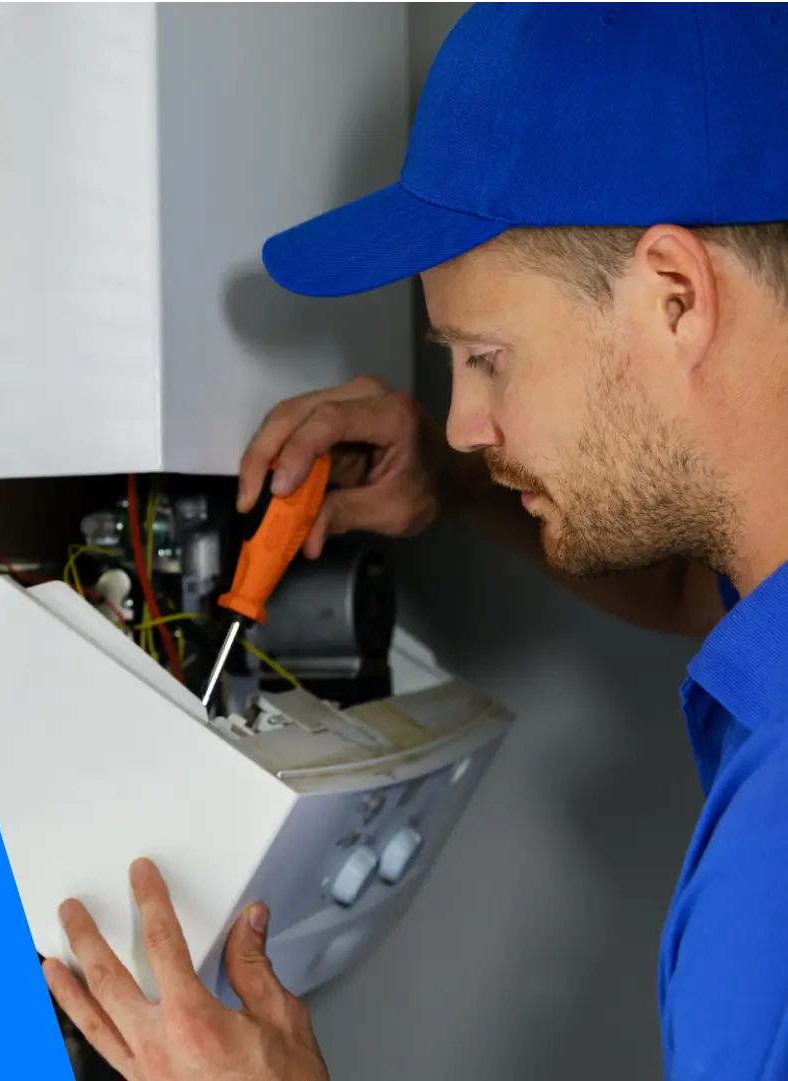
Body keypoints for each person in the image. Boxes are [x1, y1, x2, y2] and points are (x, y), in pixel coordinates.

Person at [40, 5, 788, 1079]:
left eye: (485, 356)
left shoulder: (766, 901)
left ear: (674, 296)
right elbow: (704, 591)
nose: (459, 424)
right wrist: (453, 490)